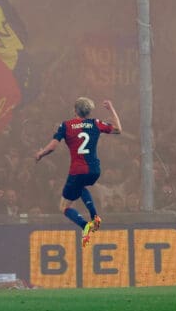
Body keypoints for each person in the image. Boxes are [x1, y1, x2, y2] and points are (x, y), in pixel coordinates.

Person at [35, 98, 122, 247]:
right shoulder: (95, 123)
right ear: (89, 112)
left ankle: (85, 225)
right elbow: (118, 129)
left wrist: (40, 153)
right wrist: (111, 109)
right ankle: (94, 216)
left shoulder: (66, 125)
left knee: (64, 207)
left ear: (75, 110)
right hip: (94, 170)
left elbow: (53, 146)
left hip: (77, 170)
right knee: (81, 187)